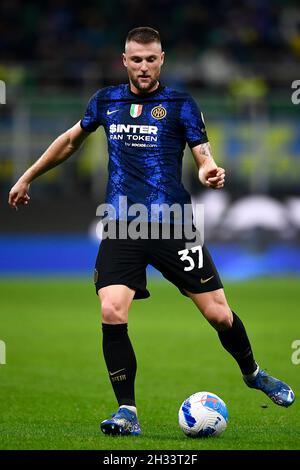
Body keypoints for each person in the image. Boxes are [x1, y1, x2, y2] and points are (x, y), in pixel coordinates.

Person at [8, 26, 295, 437]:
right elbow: (71, 140)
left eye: (151, 59)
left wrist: (208, 170)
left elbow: (202, 153)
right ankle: (126, 410)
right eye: (136, 59)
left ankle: (253, 372)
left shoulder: (180, 103)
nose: (144, 66)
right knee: (111, 309)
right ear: (124, 61)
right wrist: (28, 176)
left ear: (162, 60)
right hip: (122, 223)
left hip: (174, 224)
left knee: (218, 314)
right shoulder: (105, 101)